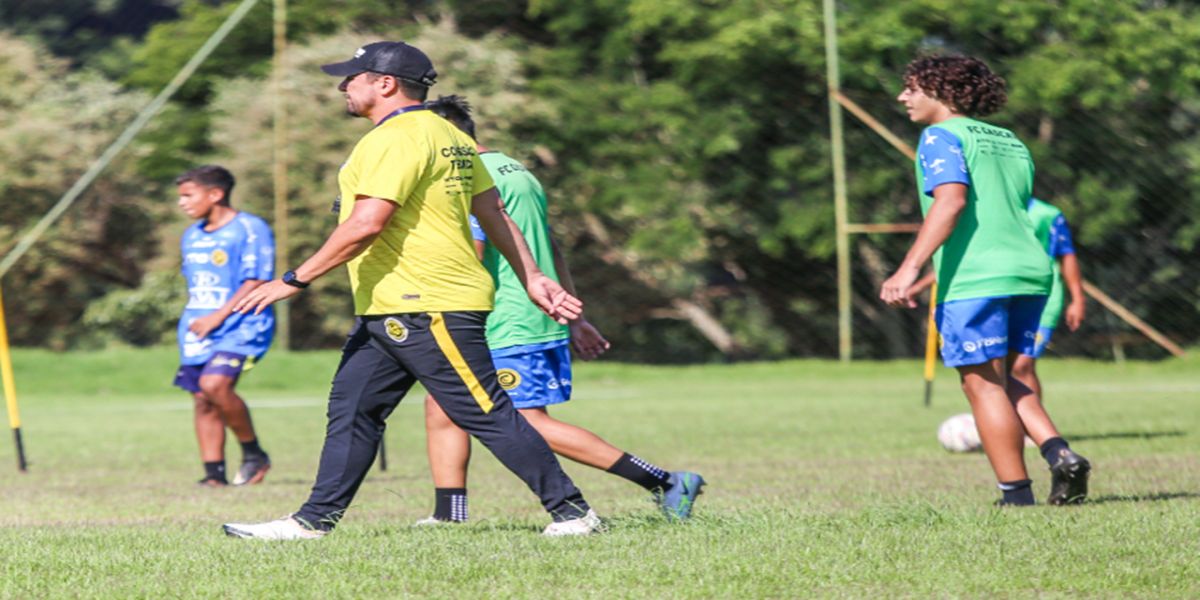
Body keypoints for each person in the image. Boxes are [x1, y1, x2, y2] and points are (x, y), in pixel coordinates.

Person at [221, 41, 600, 539]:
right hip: (390, 304)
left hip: (428, 304)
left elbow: (366, 223)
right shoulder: (449, 135)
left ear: (385, 83)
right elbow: (493, 212)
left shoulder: (396, 138)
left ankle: (573, 512)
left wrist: (294, 279)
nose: (343, 86)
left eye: (352, 77)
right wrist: (531, 275)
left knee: (483, 410)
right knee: (354, 409)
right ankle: (312, 523)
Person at [417, 96, 705, 525]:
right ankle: (449, 516)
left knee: (523, 420)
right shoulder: (516, 170)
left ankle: (664, 482)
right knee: (441, 407)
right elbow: (547, 246)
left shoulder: (467, 178)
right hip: (530, 310)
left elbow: (471, 253)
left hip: (504, 319)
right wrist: (572, 313)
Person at [881, 55, 1091, 506]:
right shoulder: (1011, 140)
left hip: (978, 277)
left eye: (912, 88)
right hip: (1031, 272)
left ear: (941, 91)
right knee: (1013, 378)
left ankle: (1015, 497)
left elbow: (951, 203)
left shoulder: (939, 136)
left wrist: (909, 267)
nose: (903, 97)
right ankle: (1060, 454)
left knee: (981, 384)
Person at [173, 165, 274, 487]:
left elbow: (256, 279)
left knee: (216, 385)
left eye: (188, 195)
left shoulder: (250, 228)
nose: (182, 203)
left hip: (243, 326)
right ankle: (213, 475)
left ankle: (253, 453)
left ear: (215, 194)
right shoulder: (192, 235)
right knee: (202, 396)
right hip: (198, 328)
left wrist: (219, 316)